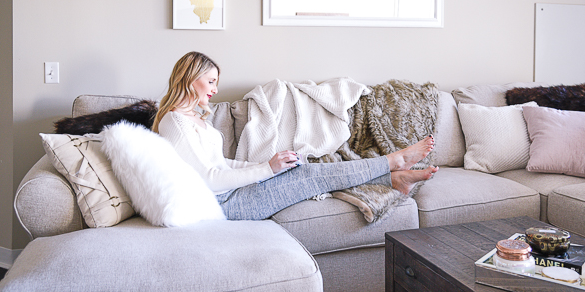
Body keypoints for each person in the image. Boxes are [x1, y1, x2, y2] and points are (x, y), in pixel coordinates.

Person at [153, 51, 439, 220]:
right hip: (224, 205)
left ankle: (392, 177)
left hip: (231, 193)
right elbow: (209, 180)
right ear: (191, 78)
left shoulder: (196, 119)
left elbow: (223, 165)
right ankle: (392, 163)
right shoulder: (174, 122)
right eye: (211, 81)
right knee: (307, 176)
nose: (215, 89)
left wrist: (269, 167)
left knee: (303, 167)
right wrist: (266, 169)